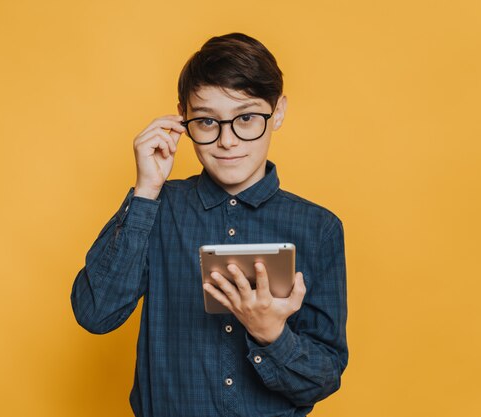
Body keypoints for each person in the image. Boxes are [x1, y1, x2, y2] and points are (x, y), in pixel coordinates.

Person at [71, 32, 348, 417]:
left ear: (278, 111)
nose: (228, 141)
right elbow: (96, 314)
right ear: (183, 117)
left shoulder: (319, 229)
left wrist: (272, 335)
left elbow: (323, 378)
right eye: (206, 121)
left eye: (247, 118)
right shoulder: (156, 207)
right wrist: (146, 190)